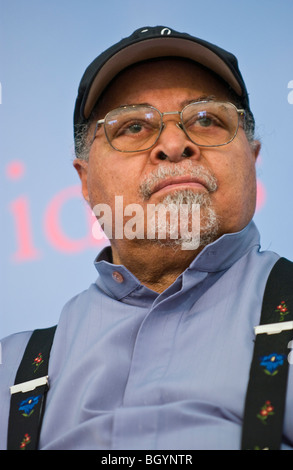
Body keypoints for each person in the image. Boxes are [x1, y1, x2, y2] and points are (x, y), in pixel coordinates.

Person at [1, 25, 292, 451]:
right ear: (85, 182)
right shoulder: (11, 369)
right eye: (133, 126)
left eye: (207, 119)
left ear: (252, 157)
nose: (174, 144)